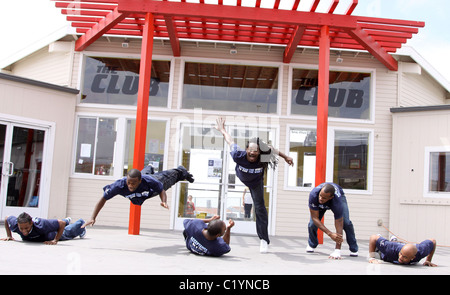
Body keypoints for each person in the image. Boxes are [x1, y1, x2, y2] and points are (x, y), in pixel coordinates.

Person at [215, 117, 293, 253]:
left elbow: (272, 149)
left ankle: (263, 240)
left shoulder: (264, 156)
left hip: (256, 183)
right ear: (246, 150)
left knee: (260, 208)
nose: (252, 153)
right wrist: (222, 130)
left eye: (255, 151)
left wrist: (286, 157)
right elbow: (230, 141)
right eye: (250, 150)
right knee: (257, 203)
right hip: (242, 178)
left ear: (259, 152)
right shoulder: (238, 155)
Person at [83, 166, 194, 227]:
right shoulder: (119, 186)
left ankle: (181, 172)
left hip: (151, 190)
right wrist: (93, 217)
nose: (130, 186)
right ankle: (149, 167)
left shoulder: (148, 181)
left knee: (168, 178)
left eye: (133, 183)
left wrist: (164, 201)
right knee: (144, 172)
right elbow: (103, 199)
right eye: (129, 183)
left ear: (139, 181)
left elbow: (161, 190)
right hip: (138, 197)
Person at [307, 182, 359, 259]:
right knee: (312, 224)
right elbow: (315, 218)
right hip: (322, 201)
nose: (321, 199)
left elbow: (339, 223)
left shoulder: (337, 202)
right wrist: (330, 234)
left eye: (324, 198)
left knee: (346, 223)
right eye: (320, 195)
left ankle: (353, 248)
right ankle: (312, 244)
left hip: (337, 198)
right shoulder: (314, 195)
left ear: (330, 197)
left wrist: (337, 250)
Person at [1, 212, 86, 245]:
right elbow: (6, 218)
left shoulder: (41, 225)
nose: (24, 231)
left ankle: (81, 225)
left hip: (49, 235)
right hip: (42, 233)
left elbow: (61, 224)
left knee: (66, 232)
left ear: (31, 223)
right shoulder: (15, 223)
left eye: (26, 228)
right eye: (21, 228)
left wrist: (55, 240)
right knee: (60, 223)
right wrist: (9, 236)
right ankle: (67, 220)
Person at [368, 234, 437, 266]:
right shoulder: (390, 249)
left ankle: (394, 240)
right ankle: (388, 239)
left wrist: (428, 260)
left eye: (405, 257)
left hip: (398, 246)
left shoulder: (421, 251)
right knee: (380, 251)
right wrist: (372, 258)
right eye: (401, 254)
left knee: (395, 244)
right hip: (383, 253)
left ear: (413, 257)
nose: (400, 257)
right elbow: (373, 238)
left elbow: (433, 241)